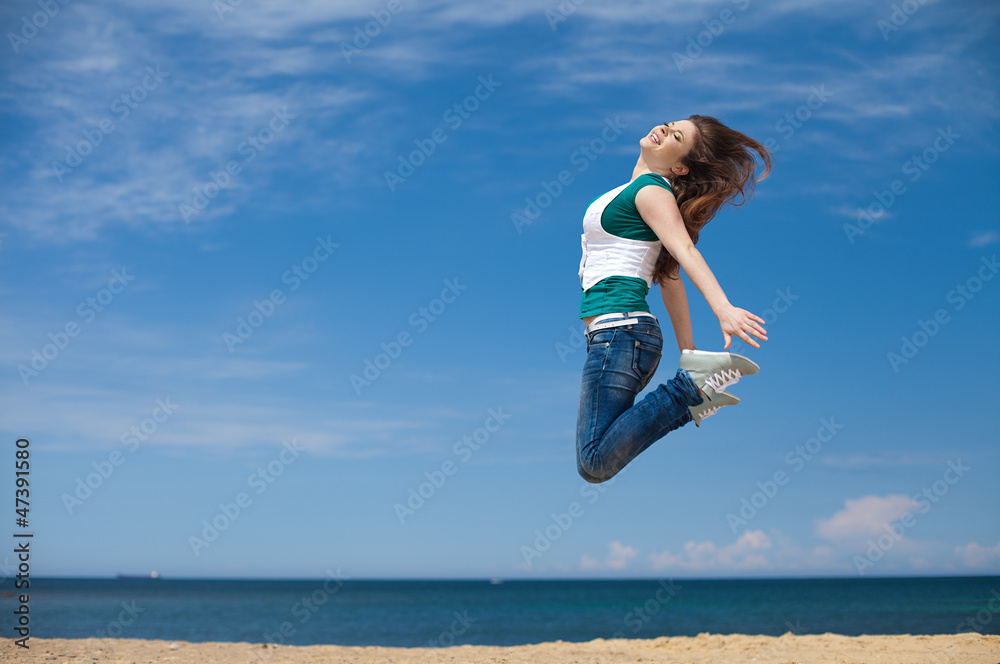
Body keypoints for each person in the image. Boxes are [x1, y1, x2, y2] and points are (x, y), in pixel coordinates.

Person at [576, 115, 772, 484]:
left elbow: (683, 250)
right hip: (615, 337)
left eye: (675, 136)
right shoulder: (631, 191)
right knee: (595, 461)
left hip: (621, 333)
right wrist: (690, 353)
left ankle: (689, 390)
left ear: (680, 165)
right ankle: (693, 385)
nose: (664, 130)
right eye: (668, 124)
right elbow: (668, 277)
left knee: (595, 461)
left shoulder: (652, 189)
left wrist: (723, 308)